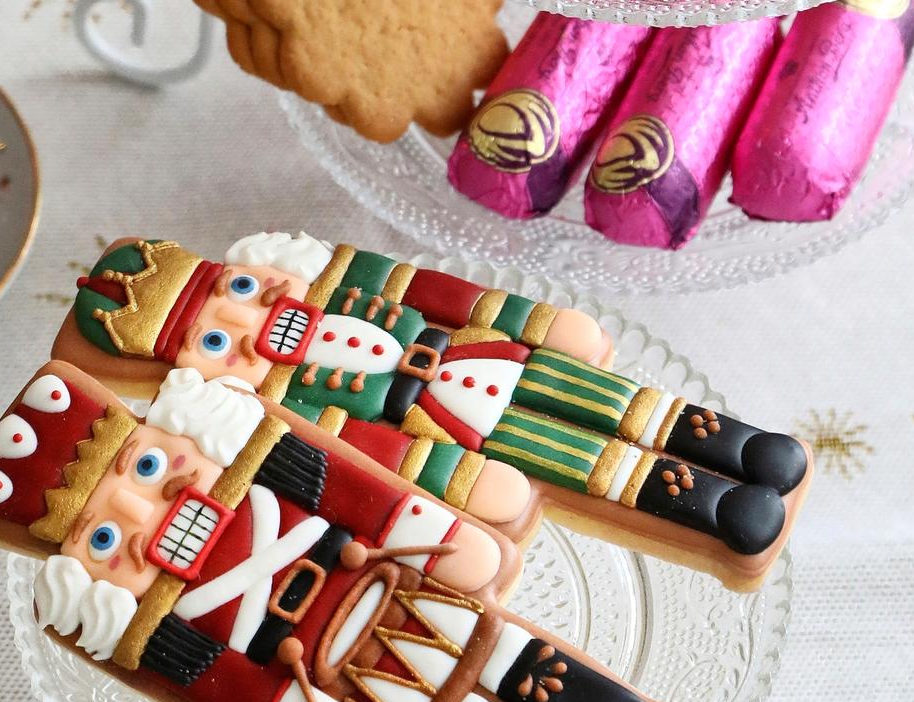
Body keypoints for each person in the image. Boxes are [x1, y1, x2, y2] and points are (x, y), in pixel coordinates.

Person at [0, 359, 686, 702]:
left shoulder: (276, 464)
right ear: (83, 570)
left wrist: (433, 535)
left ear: (177, 437)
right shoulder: (164, 632)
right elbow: (226, 688)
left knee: (510, 655)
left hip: (400, 588)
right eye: (103, 538)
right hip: (342, 681)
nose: (150, 513)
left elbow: (358, 495)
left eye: (143, 467)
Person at [56, 232, 808, 575]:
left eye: (239, 293)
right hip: (451, 428)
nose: (252, 326)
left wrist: (532, 322)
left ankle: (736, 448)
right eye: (217, 344)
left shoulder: (338, 276)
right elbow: (362, 452)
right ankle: (707, 501)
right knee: (587, 460)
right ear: (191, 371)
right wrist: (449, 476)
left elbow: (437, 294)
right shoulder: (280, 411)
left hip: (489, 353)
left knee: (623, 405)